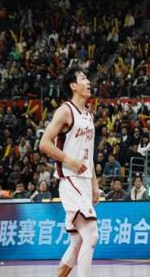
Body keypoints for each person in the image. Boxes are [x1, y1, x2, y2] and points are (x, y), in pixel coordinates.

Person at [40, 67, 99, 277]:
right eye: (83, 78)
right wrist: (69, 161)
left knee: (78, 242)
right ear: (73, 85)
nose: (88, 81)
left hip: (84, 181)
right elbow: (44, 143)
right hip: (70, 178)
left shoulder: (89, 114)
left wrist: (94, 184)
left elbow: (88, 155)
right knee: (91, 235)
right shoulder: (65, 111)